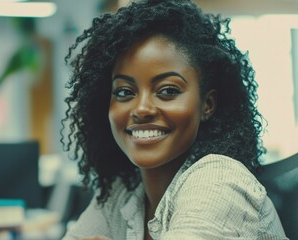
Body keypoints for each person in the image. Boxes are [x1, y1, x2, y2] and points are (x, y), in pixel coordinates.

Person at [61, 0, 288, 239]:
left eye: (168, 90)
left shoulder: (220, 181)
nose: (142, 109)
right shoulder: (121, 192)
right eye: (125, 92)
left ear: (207, 105)